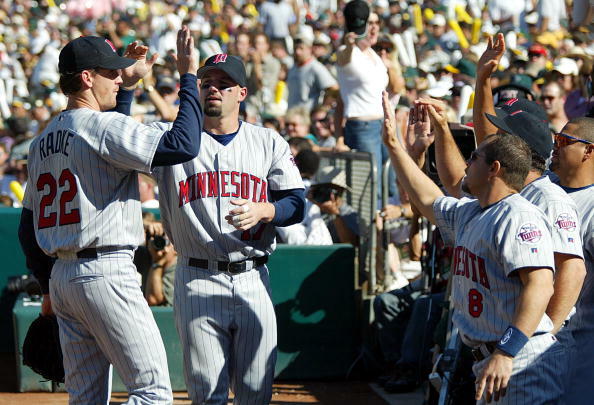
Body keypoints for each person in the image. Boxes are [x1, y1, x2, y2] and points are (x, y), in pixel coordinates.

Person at [17, 28, 202, 404]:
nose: (119, 77)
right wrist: (188, 78)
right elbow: (183, 144)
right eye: (111, 72)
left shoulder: (41, 141)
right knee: (152, 394)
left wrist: (48, 284)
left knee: (84, 398)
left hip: (63, 278)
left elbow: (25, 228)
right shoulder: (102, 128)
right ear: (87, 78)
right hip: (106, 272)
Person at [382, 92, 565, 404]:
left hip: (519, 359)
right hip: (493, 356)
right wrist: (394, 146)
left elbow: (540, 286)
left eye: (474, 158)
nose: (467, 162)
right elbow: (427, 199)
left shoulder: (518, 215)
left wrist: (507, 351)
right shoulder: (475, 210)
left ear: (494, 169)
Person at [151, 53, 305, 404]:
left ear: (242, 93)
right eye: (207, 84)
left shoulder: (267, 142)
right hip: (196, 276)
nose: (214, 90)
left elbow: (297, 204)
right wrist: (130, 86)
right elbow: (118, 139)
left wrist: (266, 209)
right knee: (208, 396)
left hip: (253, 276)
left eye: (224, 84)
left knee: (255, 394)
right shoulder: (171, 140)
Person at [336, 1, 399, 203]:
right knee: (371, 191)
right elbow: (340, 101)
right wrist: (339, 137)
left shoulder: (374, 55)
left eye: (376, 22)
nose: (373, 28)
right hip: (362, 127)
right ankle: (373, 232)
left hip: (385, 124)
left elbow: (396, 88)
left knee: (391, 182)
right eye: (368, 23)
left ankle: (390, 232)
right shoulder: (347, 53)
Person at [551, 117, 594, 403]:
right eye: (555, 139)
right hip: (535, 336)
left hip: (580, 347)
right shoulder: (544, 187)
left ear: (589, 151)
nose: (555, 147)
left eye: (564, 142)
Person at [286, 34, 338, 111]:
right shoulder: (293, 67)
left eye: (301, 48)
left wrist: (322, 109)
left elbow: (334, 88)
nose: (298, 52)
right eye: (296, 48)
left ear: (309, 49)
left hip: (307, 115)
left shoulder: (315, 67)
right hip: (292, 114)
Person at [145, 220, 177, 306]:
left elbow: (153, 299)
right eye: (157, 238)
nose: (160, 244)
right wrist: (149, 226)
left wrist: (157, 262)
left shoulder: (178, 267)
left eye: (166, 241)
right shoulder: (145, 253)